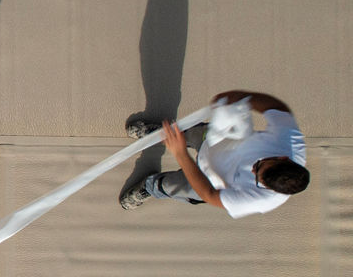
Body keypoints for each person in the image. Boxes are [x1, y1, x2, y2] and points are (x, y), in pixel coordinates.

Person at [120, 90, 309, 216]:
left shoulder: (260, 200)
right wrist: (241, 98)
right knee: (184, 133)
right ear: (282, 157)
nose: (252, 170)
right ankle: (158, 134)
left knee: (172, 186)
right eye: (259, 164)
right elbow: (276, 108)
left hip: (210, 182)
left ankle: (150, 186)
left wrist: (181, 155)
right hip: (217, 141)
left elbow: (210, 194)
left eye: (258, 179)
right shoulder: (289, 142)